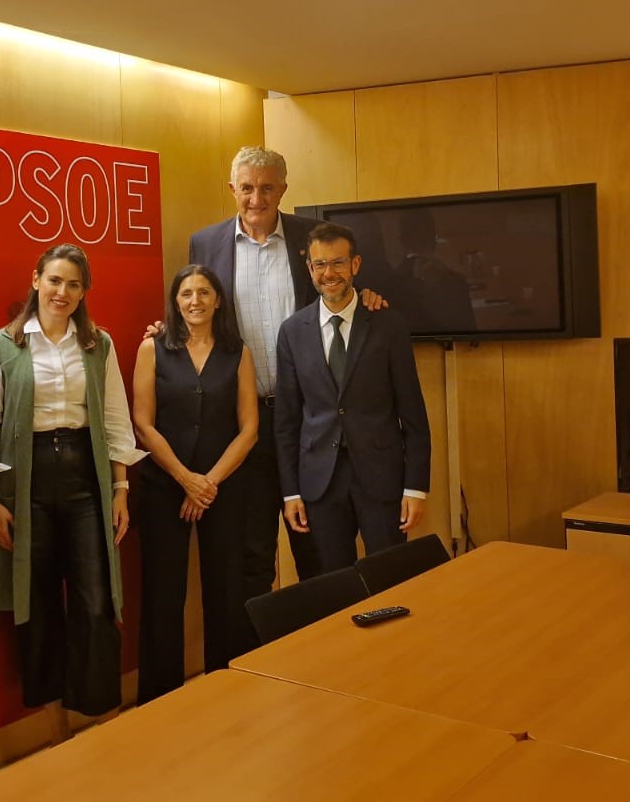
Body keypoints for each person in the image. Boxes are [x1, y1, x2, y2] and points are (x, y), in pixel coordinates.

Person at [185, 146, 385, 610]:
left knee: (316, 550)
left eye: (267, 187)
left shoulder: (308, 238)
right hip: (244, 425)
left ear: (283, 190)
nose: (257, 198)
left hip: (307, 425)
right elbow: (192, 305)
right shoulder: (205, 244)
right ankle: (263, 665)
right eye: (248, 187)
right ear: (232, 189)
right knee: (252, 555)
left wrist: (370, 295)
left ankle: (327, 660)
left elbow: (339, 289)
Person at [0, 243, 143, 737]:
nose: (62, 292)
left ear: (84, 291)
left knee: (94, 599)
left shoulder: (98, 344)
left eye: (73, 284)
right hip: (25, 481)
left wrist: (120, 488)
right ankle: (52, 727)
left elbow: (113, 418)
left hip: (85, 476)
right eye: (54, 281)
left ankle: (97, 716)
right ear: (36, 280)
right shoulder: (3, 344)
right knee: (37, 598)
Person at [132, 265, 258, 703]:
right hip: (164, 484)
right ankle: (158, 700)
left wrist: (208, 484)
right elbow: (143, 424)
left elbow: (249, 429)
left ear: (218, 300)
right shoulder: (153, 348)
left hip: (224, 486)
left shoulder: (237, 351)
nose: (195, 301)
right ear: (175, 300)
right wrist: (186, 480)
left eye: (205, 292)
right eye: (186, 293)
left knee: (226, 590)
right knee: (162, 595)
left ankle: (227, 688)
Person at [275, 221, 431, 570]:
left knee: (391, 580)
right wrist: (291, 492)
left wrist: (415, 488)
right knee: (332, 588)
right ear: (309, 269)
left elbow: (414, 414)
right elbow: (285, 422)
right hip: (319, 484)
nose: (329, 273)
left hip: (382, 479)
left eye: (338, 263)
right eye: (320, 265)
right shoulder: (291, 333)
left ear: (355, 265)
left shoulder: (389, 325)